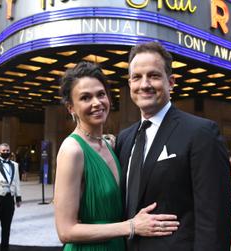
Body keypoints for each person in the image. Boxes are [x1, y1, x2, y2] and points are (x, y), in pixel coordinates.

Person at [115, 42, 231, 250]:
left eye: (153, 75)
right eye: (137, 77)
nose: (144, 84)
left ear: (171, 82)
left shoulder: (201, 133)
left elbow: (214, 220)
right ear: (130, 83)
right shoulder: (124, 138)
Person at [54, 61, 179, 251]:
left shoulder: (112, 144)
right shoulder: (72, 150)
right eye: (86, 98)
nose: (97, 103)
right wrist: (131, 226)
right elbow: (65, 231)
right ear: (71, 108)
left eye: (101, 94)